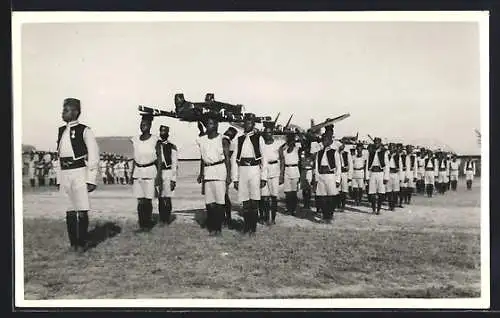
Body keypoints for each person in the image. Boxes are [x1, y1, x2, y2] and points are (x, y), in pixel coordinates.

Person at [56, 98, 99, 252]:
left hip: (79, 172)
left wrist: (91, 179)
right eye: (63, 110)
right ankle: (73, 243)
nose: (62, 113)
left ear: (75, 112)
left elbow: (93, 155)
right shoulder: (61, 130)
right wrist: (59, 178)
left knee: (81, 208)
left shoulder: (85, 130)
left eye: (65, 110)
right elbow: (59, 156)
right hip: (65, 173)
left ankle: (82, 243)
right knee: (69, 210)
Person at [231, 113, 268, 235]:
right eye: (246, 122)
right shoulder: (239, 139)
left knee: (254, 200)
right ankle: (246, 227)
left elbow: (264, 159)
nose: (247, 124)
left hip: (254, 170)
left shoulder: (259, 138)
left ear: (253, 124)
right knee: (245, 201)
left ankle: (253, 228)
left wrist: (263, 177)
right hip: (242, 170)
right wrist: (235, 178)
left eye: (250, 122)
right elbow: (234, 160)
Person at [196, 114, 231, 236]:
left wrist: (228, 175)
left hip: (220, 170)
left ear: (216, 125)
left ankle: (218, 228)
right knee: (209, 203)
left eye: (211, 123)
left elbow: (227, 158)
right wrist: (201, 173)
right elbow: (202, 157)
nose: (208, 126)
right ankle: (212, 227)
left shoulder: (223, 139)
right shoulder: (202, 140)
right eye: (207, 124)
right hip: (208, 171)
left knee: (219, 202)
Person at [130, 114, 160, 232]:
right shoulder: (135, 139)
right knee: (140, 200)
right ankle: (142, 224)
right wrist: (132, 174)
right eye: (141, 124)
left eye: (145, 125)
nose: (143, 127)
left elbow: (159, 159)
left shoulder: (155, 140)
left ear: (150, 126)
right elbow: (135, 157)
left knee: (148, 200)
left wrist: (158, 176)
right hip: (138, 172)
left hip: (150, 171)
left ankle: (147, 224)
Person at [312, 132, 341, 223]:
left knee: (331, 197)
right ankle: (325, 215)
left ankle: (329, 215)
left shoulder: (334, 152)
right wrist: (316, 178)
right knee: (322, 197)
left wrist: (337, 179)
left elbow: (338, 166)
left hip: (330, 176)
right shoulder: (319, 153)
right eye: (323, 140)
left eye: (326, 140)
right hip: (321, 176)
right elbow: (316, 166)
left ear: (330, 141)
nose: (324, 141)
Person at [260, 122, 282, 225]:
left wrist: (281, 174)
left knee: (274, 197)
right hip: (264, 171)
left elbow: (282, 159)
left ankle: (272, 218)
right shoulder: (262, 145)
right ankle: (265, 217)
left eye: (269, 132)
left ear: (272, 133)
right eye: (265, 133)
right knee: (264, 197)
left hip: (274, 170)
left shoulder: (277, 144)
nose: (267, 134)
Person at [156, 125, 178, 225]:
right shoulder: (156, 145)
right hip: (159, 173)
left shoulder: (172, 146)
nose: (162, 133)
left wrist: (173, 179)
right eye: (161, 131)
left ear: (168, 133)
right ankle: (161, 218)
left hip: (168, 173)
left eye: (164, 131)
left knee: (167, 197)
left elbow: (174, 164)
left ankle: (167, 218)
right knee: (160, 197)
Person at [279, 131, 301, 216]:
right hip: (287, 170)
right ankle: (288, 208)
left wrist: (298, 136)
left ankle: (293, 209)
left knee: (294, 192)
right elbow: (280, 150)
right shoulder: (284, 149)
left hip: (295, 170)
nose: (290, 141)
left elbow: (304, 145)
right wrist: (285, 143)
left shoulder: (297, 149)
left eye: (292, 139)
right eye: (289, 139)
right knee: (287, 192)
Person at [365, 137, 389, 214]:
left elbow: (386, 165)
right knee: (372, 193)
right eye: (375, 142)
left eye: (378, 143)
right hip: (372, 173)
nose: (376, 144)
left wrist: (386, 177)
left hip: (381, 174)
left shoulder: (383, 152)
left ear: (380, 143)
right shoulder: (370, 152)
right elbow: (367, 165)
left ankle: (378, 209)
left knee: (381, 193)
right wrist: (367, 177)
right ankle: (373, 209)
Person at [222, 127, 238, 227]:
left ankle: (227, 218)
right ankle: (227, 217)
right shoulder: (230, 142)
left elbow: (226, 157)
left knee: (224, 195)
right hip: (226, 169)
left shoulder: (226, 141)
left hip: (223, 169)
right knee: (224, 195)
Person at [386, 143, 403, 211]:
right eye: (390, 148)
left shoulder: (398, 156)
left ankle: (393, 205)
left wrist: (401, 177)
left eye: (393, 148)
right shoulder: (386, 155)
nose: (391, 149)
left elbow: (400, 167)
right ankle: (390, 205)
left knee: (395, 191)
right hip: (388, 174)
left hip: (396, 174)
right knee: (389, 191)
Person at [337, 143, 353, 211]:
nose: (342, 146)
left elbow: (350, 165)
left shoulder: (347, 154)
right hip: (338, 173)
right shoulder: (336, 153)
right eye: (340, 145)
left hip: (344, 173)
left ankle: (343, 206)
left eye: (343, 145)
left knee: (344, 190)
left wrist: (349, 176)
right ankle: (338, 205)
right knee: (337, 190)